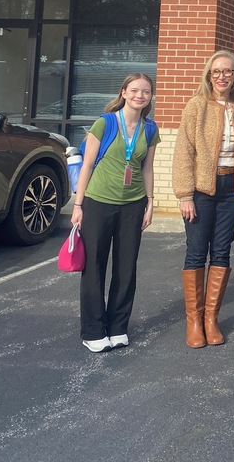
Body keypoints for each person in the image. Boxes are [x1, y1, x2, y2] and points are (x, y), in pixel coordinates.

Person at [70, 73, 160, 353]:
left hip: (132, 204)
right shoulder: (105, 123)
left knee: (126, 267)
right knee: (94, 267)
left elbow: (147, 168)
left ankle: (118, 327)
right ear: (123, 92)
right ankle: (93, 331)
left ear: (150, 97)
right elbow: (86, 166)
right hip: (98, 202)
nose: (140, 96)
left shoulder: (150, 129)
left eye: (145, 92)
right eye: (134, 90)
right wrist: (78, 205)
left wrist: (150, 202)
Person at [172, 50, 234, 348]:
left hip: (231, 188)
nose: (222, 76)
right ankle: (194, 321)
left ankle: (211, 319)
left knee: (222, 250)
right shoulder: (197, 105)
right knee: (196, 251)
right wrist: (184, 194)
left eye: (228, 71)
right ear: (209, 76)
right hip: (200, 190)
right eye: (216, 72)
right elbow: (183, 151)